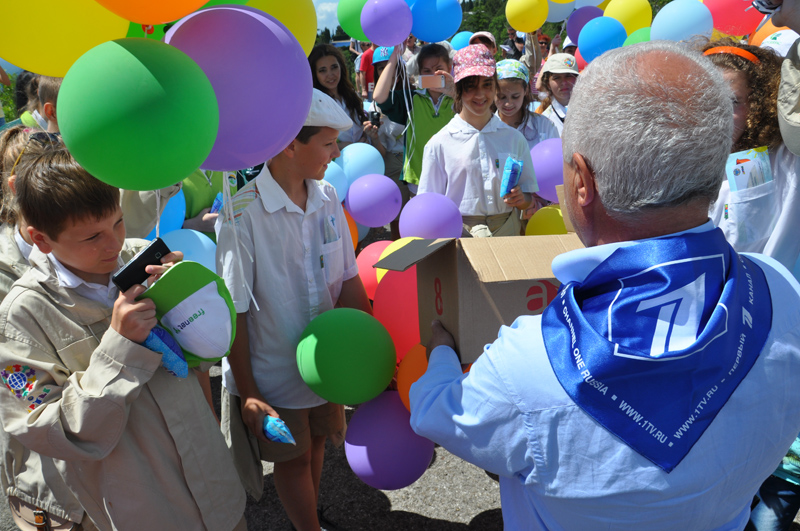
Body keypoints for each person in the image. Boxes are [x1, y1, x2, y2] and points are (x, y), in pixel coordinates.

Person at [409, 40, 800, 530]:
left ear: (581, 183)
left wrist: (443, 349)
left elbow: (437, 413)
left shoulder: (526, 361)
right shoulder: (783, 297)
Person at [0, 143, 246, 530]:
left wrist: (188, 296)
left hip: (212, 489)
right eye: (92, 237)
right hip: (140, 506)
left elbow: (205, 353)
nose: (113, 244)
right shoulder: (22, 316)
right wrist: (119, 346)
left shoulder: (141, 255)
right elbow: (49, 431)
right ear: (42, 239)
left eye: (117, 222)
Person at [216, 89, 372, 531]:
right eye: (327, 143)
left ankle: (310, 518)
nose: (336, 153)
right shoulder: (241, 216)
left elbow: (347, 278)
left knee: (318, 440)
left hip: (326, 363)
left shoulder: (326, 198)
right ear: (289, 144)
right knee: (293, 455)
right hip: (274, 371)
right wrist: (248, 391)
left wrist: (368, 353)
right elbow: (235, 313)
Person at [418, 44, 537, 237]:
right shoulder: (439, 143)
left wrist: (521, 198)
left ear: (495, 87)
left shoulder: (514, 138)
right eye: (470, 86)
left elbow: (528, 195)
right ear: (458, 89)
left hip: (507, 231)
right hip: (459, 233)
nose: (480, 94)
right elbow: (429, 205)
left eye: (487, 85)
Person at [704, 41, 800, 272]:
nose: (716, 113)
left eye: (732, 101)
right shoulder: (679, 166)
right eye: (705, 99)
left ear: (760, 103)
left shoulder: (786, 158)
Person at [373, 42, 457, 196]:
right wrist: (394, 57)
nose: (433, 75)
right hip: (419, 180)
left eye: (439, 69)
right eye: (427, 71)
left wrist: (454, 92)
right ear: (420, 73)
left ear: (450, 66)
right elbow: (379, 97)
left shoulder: (460, 99)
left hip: (455, 179)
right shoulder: (411, 99)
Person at [365, 46, 411, 239]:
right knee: (398, 220)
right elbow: (382, 153)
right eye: (380, 68)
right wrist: (374, 138)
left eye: (390, 65)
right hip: (392, 165)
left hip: (417, 164)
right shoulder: (374, 105)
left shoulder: (413, 96)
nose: (386, 71)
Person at [309, 44, 368, 148]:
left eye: (334, 67)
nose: (330, 74)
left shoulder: (351, 94)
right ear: (314, 74)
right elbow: (314, 143)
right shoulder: (314, 104)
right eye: (323, 70)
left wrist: (367, 133)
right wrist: (341, 146)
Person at [535, 53, 579, 134]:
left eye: (568, 76)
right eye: (556, 77)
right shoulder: (545, 121)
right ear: (548, 83)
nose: (564, 82)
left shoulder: (592, 111)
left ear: (577, 78)